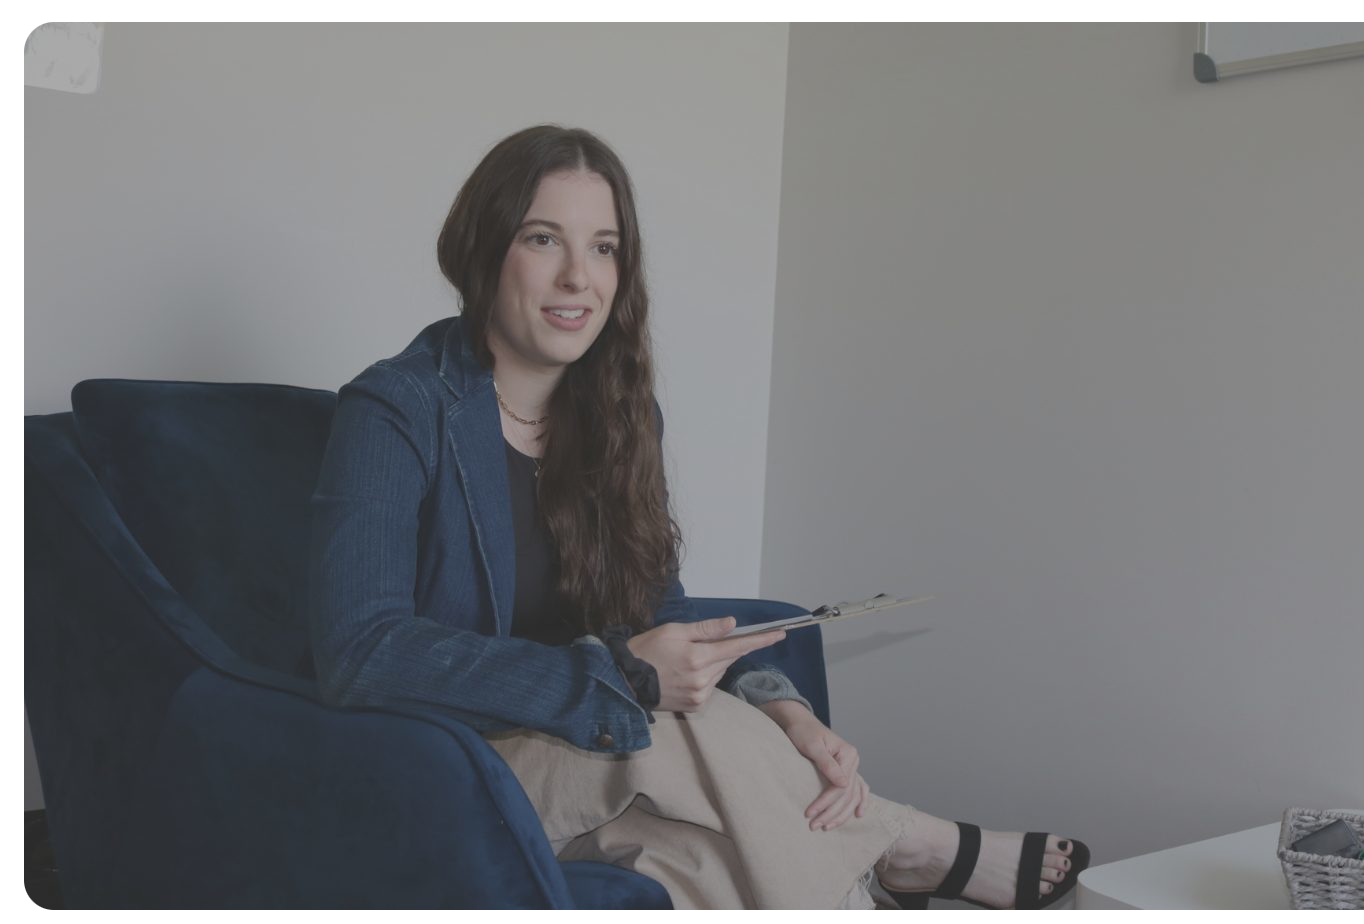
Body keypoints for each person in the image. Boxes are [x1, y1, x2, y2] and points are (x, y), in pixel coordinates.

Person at [307, 124, 1090, 909]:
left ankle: (880, 865)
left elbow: (661, 616)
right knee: (669, 726)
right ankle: (906, 843)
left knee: (700, 865)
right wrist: (616, 676)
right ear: (484, 248)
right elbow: (361, 651)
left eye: (605, 247)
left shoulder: (617, 414)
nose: (580, 276)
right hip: (453, 766)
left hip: (588, 761)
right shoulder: (396, 409)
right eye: (544, 239)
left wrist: (782, 709)